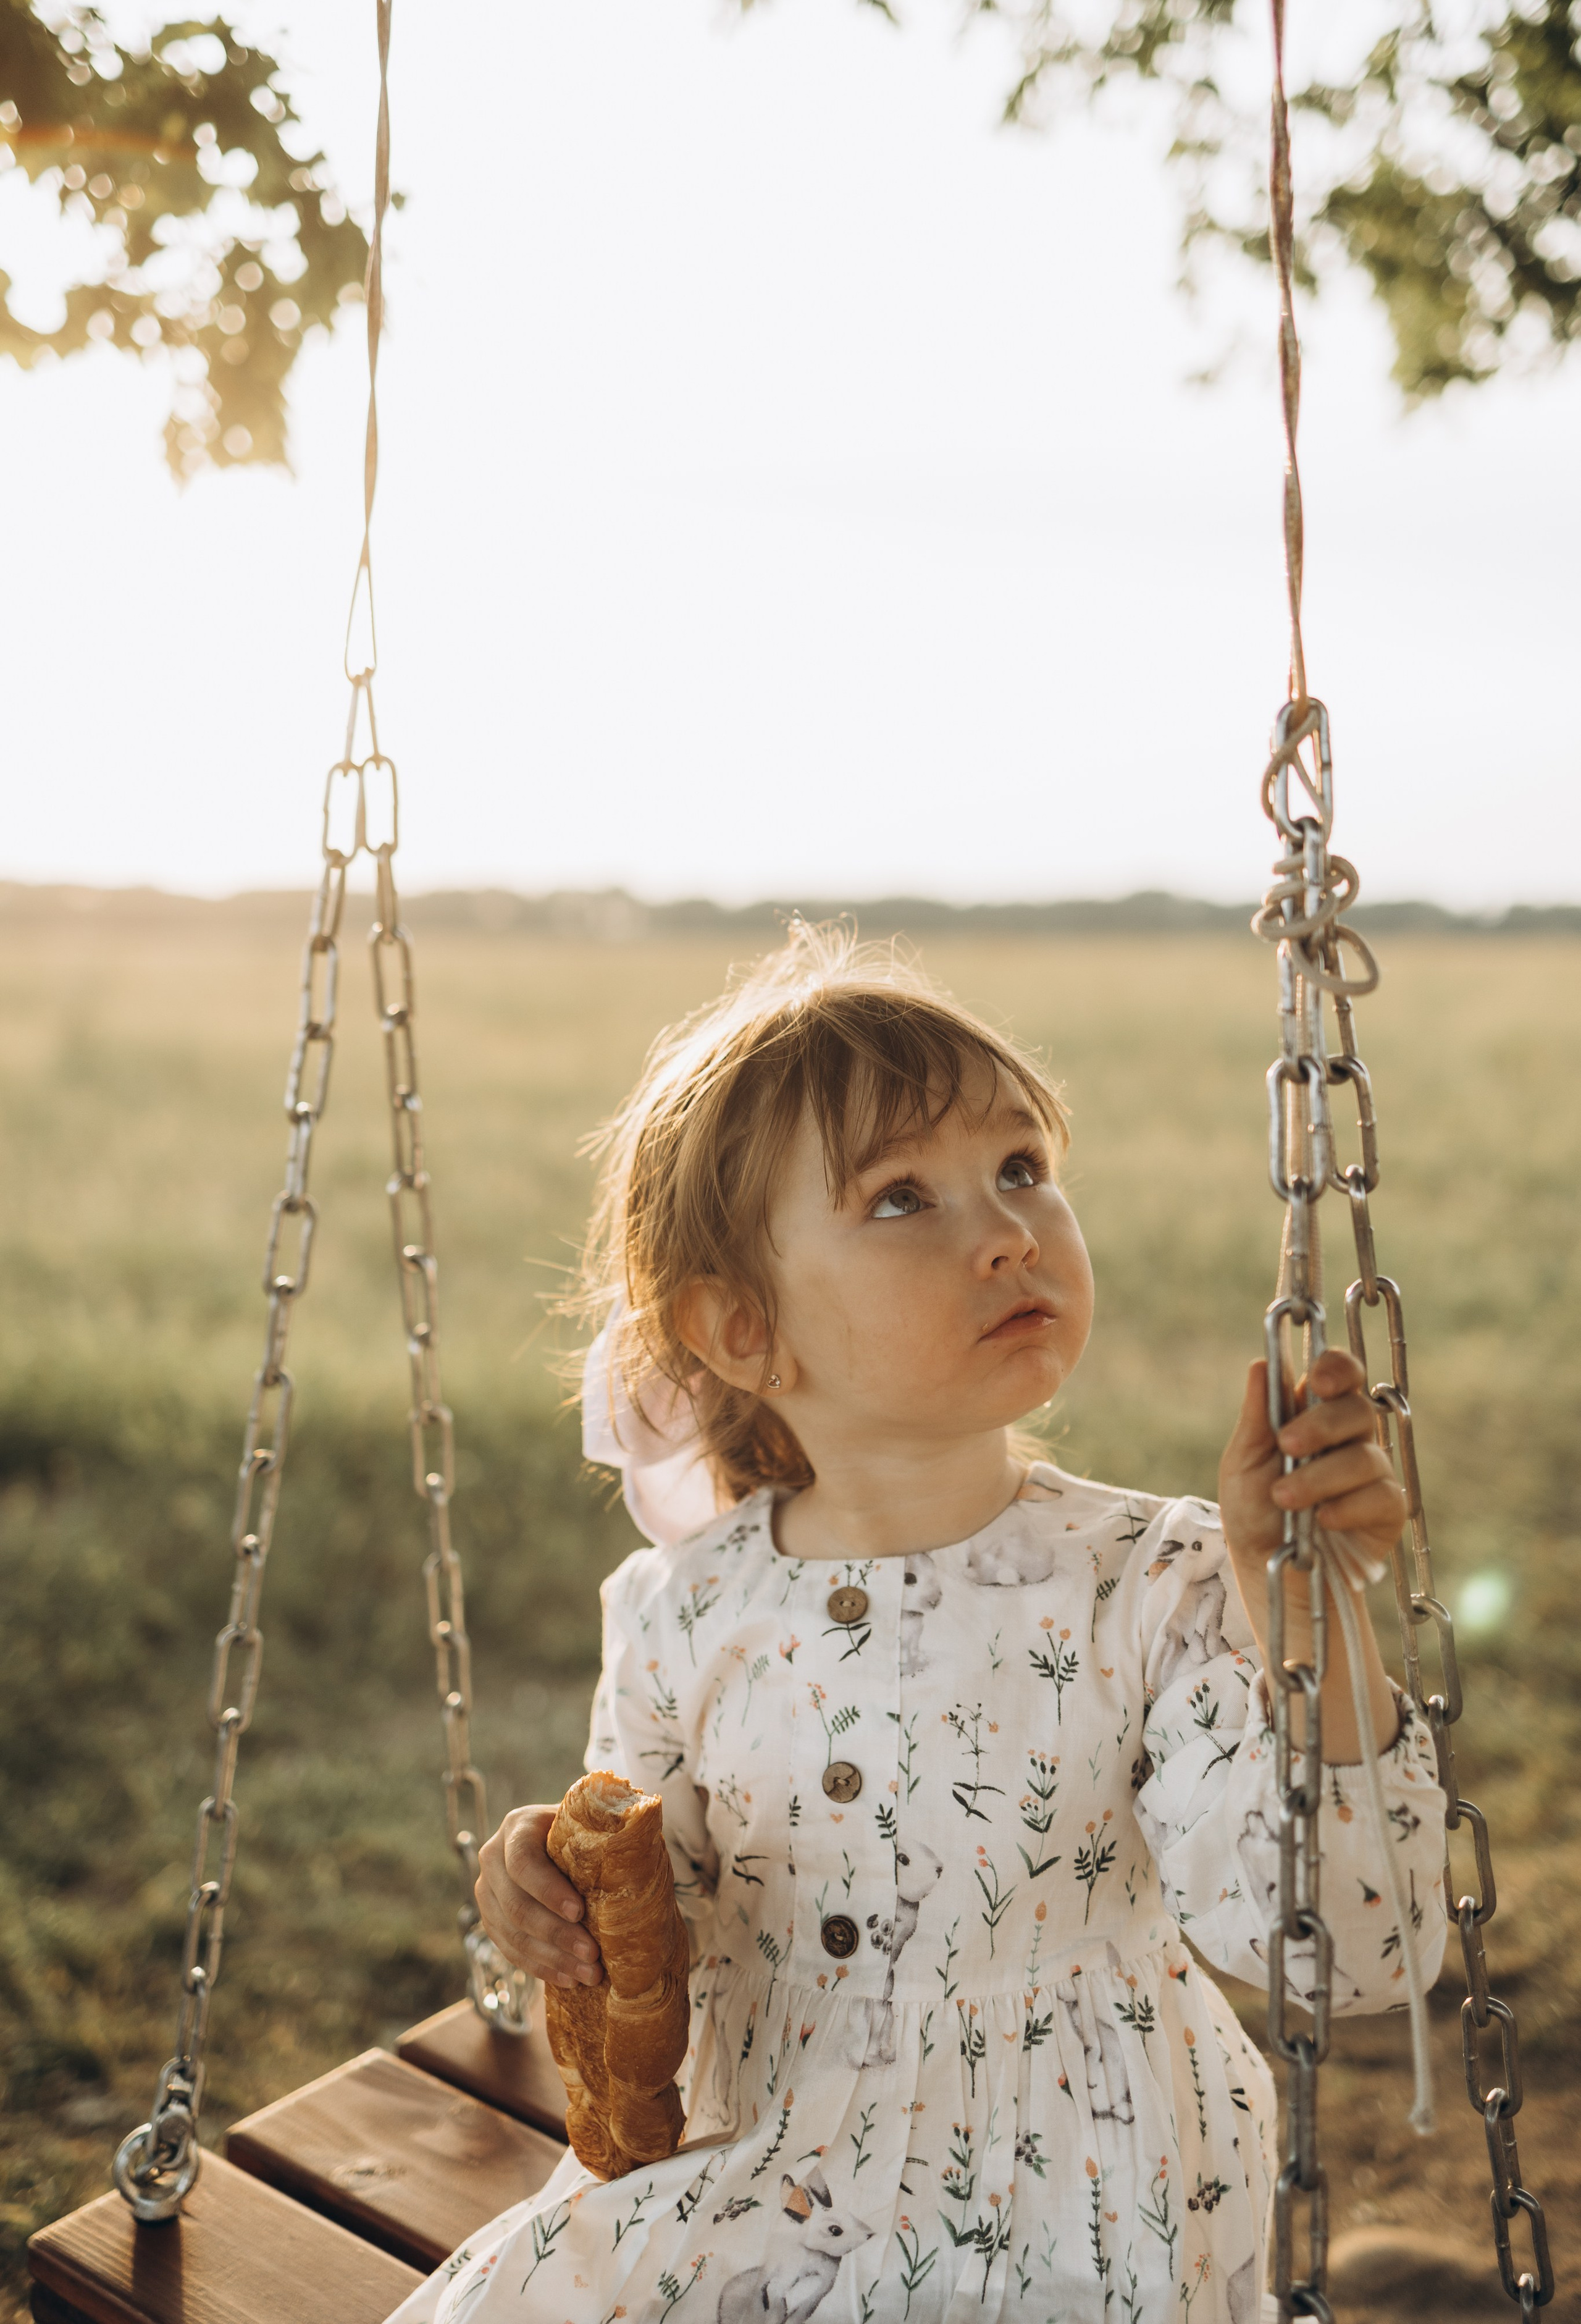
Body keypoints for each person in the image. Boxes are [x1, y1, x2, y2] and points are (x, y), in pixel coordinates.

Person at [384, 923, 1445, 2324]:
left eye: (1020, 1171)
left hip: (1079, 2199)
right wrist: (549, 1893)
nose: (1006, 1229)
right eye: (902, 1199)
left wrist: (1304, 1624)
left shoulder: (1160, 1581)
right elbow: (660, 1916)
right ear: (742, 1329)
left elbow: (1350, 1952)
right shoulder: (680, 1610)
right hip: (775, 2171)